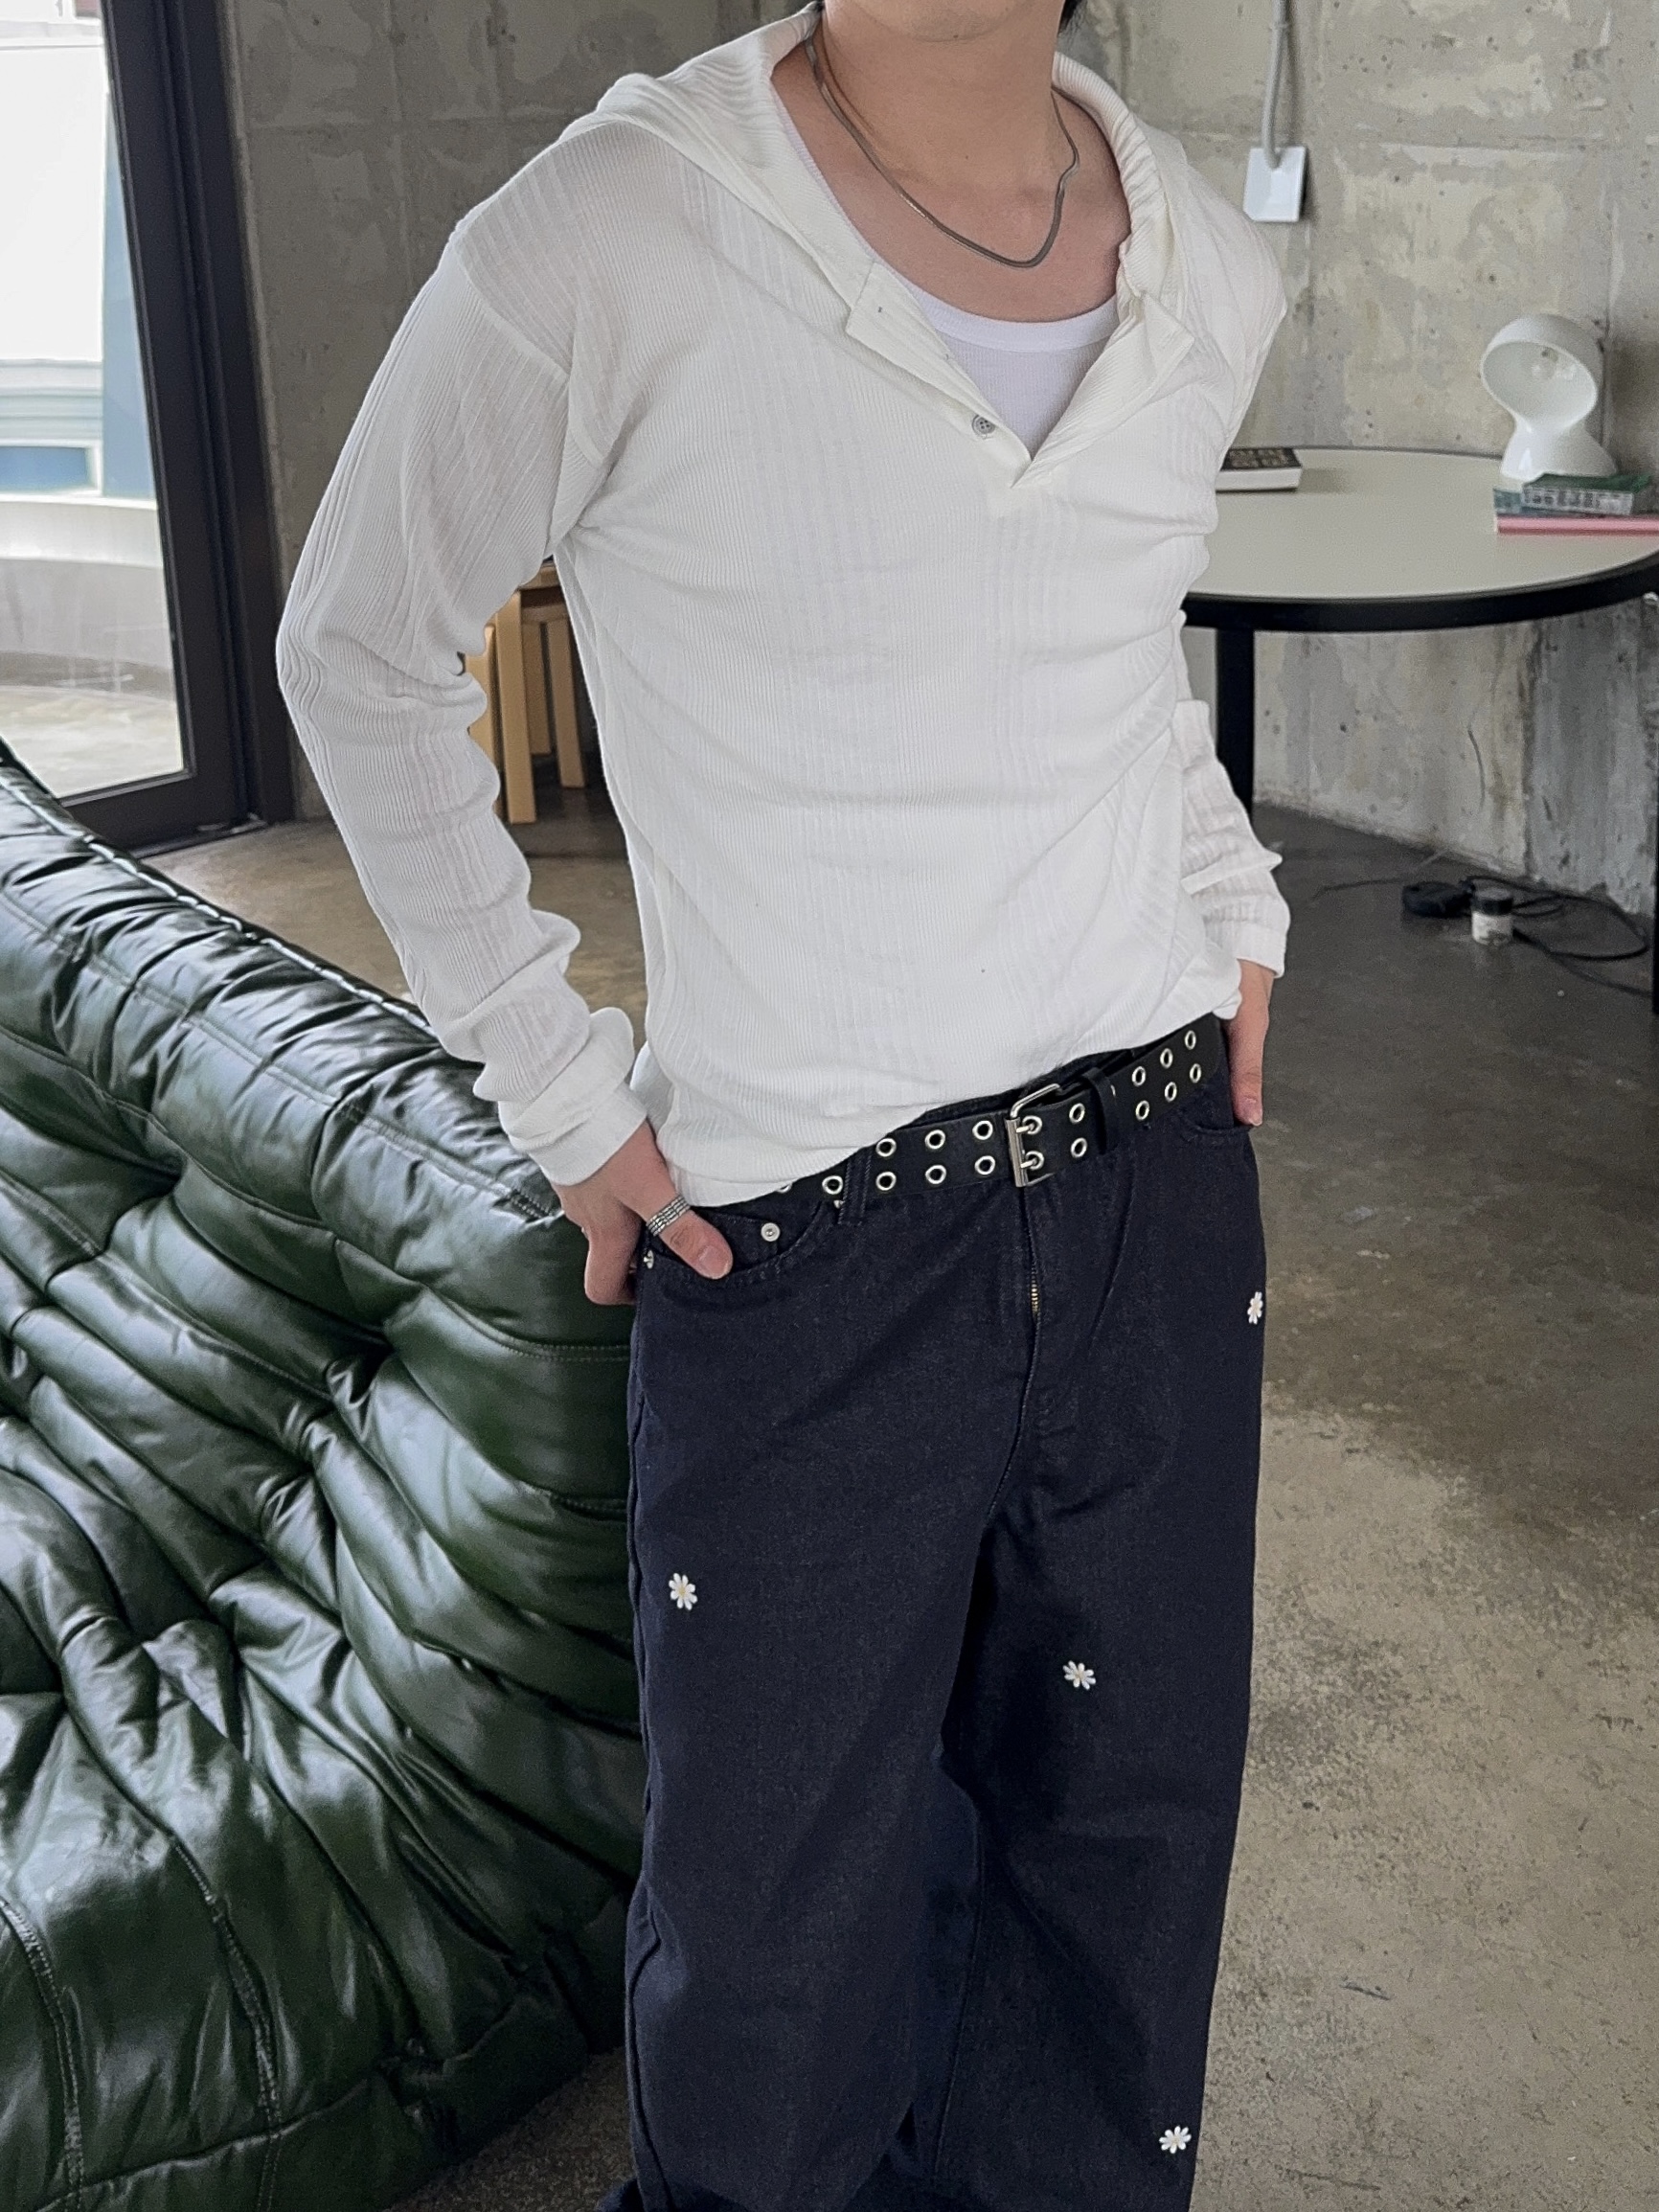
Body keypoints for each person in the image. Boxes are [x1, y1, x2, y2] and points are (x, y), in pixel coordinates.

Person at [275, 1, 1290, 2205]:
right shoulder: (609, 235)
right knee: (769, 1971)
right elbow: (353, 648)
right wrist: (558, 1088)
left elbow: (1112, 647)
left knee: (1110, 1900)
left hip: (1150, 1196)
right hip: (813, 1239)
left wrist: (1234, 901)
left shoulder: (1204, 262)